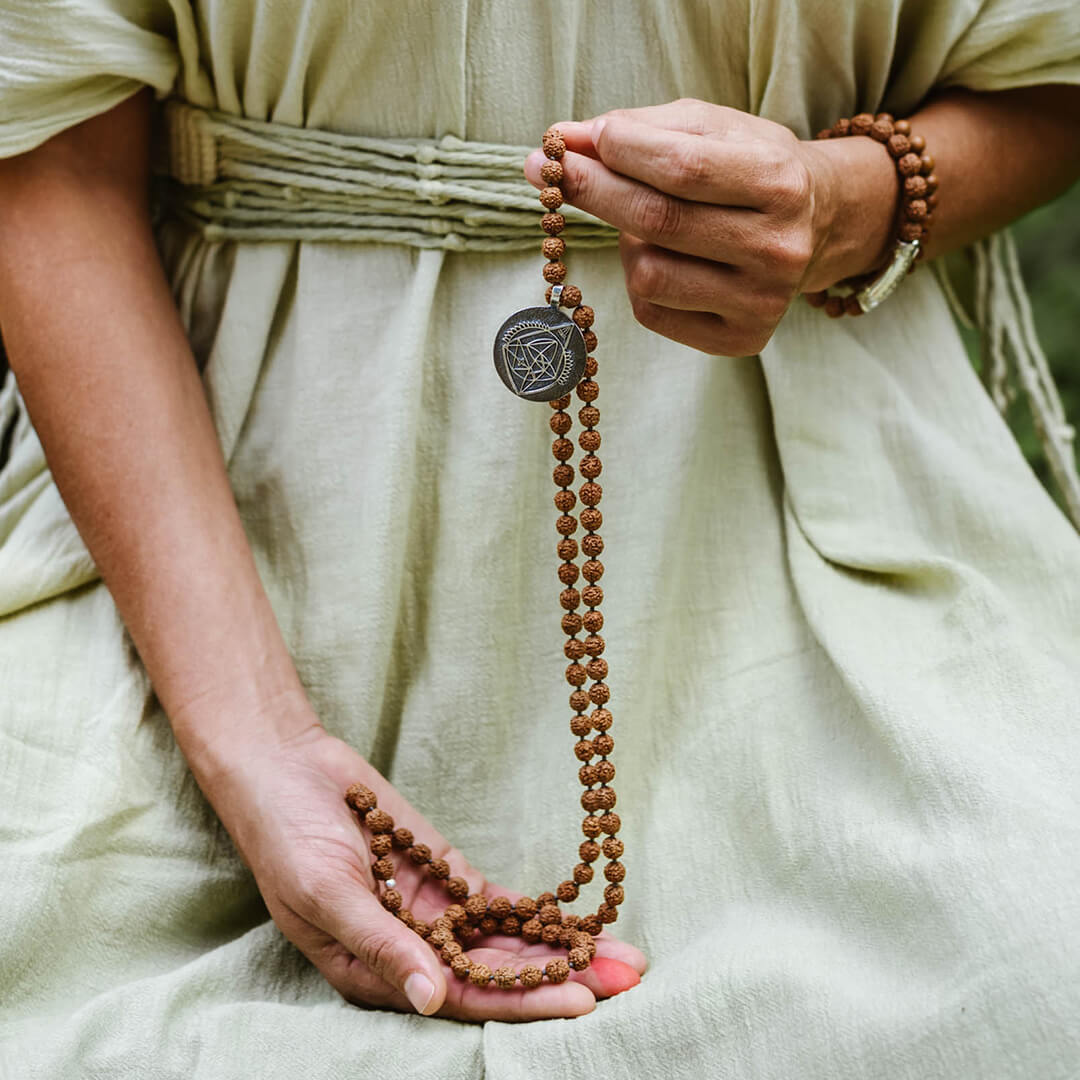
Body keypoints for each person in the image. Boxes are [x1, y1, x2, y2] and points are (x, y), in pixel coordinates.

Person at [1, 1, 1078, 1076]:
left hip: (802, 491)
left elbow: (1052, 81)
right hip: (202, 519)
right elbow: (51, 153)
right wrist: (253, 738)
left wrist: (846, 207)